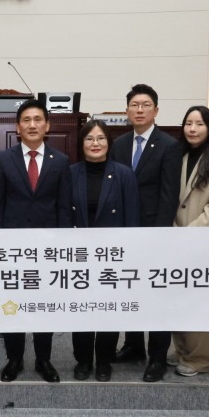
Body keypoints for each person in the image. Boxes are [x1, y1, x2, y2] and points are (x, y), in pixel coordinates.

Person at [0, 99, 72, 383]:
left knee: (44, 304)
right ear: (17, 127)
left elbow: (64, 207)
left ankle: (43, 359)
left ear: (47, 125)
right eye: (26, 120)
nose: (32, 125)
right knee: (12, 304)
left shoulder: (60, 161)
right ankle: (14, 359)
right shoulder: (3, 159)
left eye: (38, 119)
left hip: (48, 249)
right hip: (12, 249)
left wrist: (62, 247)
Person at [108, 83, 181, 382]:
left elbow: (169, 194)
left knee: (157, 294)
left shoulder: (169, 145)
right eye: (134, 105)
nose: (140, 110)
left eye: (146, 105)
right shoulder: (119, 144)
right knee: (129, 288)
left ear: (156, 110)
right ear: (127, 111)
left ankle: (158, 357)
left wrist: (160, 234)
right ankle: (134, 345)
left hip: (154, 229)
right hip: (125, 229)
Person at [70, 120, 140, 382]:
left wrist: (129, 253)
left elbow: (132, 218)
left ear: (108, 143)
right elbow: (64, 214)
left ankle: (104, 361)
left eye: (100, 138)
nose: (95, 143)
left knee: (108, 309)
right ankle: (83, 360)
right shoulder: (71, 173)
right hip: (79, 255)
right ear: (82, 144)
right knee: (81, 308)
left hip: (113, 255)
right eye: (89, 139)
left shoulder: (123, 174)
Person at [171, 106, 209, 377]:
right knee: (177, 297)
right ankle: (182, 350)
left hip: (202, 242)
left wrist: (187, 234)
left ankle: (200, 359)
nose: (193, 129)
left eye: (199, 124)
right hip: (174, 239)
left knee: (199, 301)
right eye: (188, 123)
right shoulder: (178, 157)